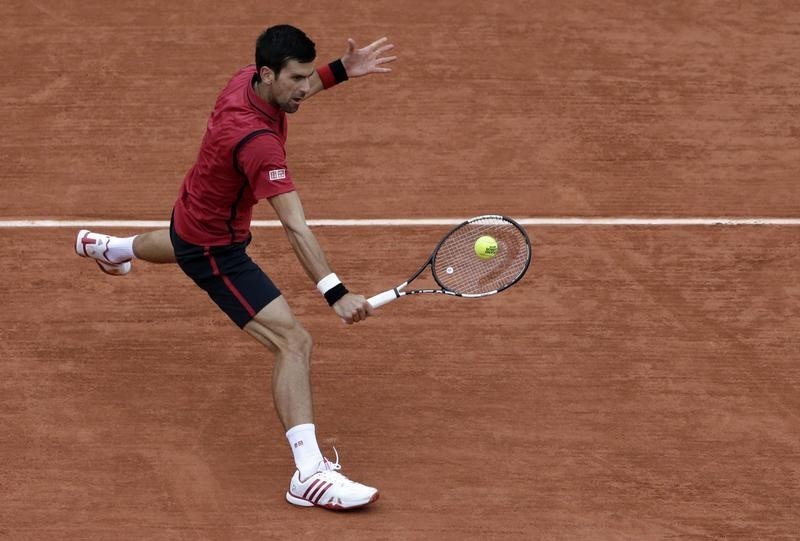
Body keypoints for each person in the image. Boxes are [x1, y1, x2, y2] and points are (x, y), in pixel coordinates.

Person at [75, 24, 396, 510]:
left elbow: (294, 88)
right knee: (294, 341)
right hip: (215, 249)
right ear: (268, 74)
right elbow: (295, 226)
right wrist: (335, 292)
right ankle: (308, 475)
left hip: (194, 210)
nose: (305, 88)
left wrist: (340, 72)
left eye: (310, 77)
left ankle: (113, 249)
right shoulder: (257, 142)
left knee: (179, 239)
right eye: (298, 79)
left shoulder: (246, 79)